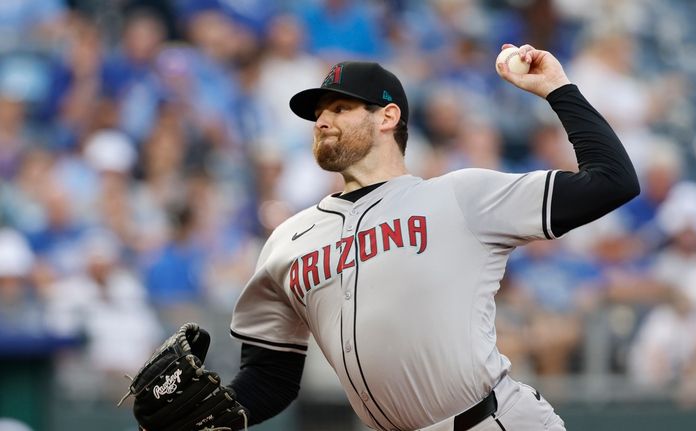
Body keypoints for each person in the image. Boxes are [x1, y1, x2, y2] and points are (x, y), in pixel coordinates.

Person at [221, 43, 639, 431]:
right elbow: (270, 376)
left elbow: (611, 181)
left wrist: (556, 88)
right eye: (319, 114)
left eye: (340, 107)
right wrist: (205, 417)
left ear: (387, 116)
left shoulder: (460, 196)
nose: (322, 121)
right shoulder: (288, 240)